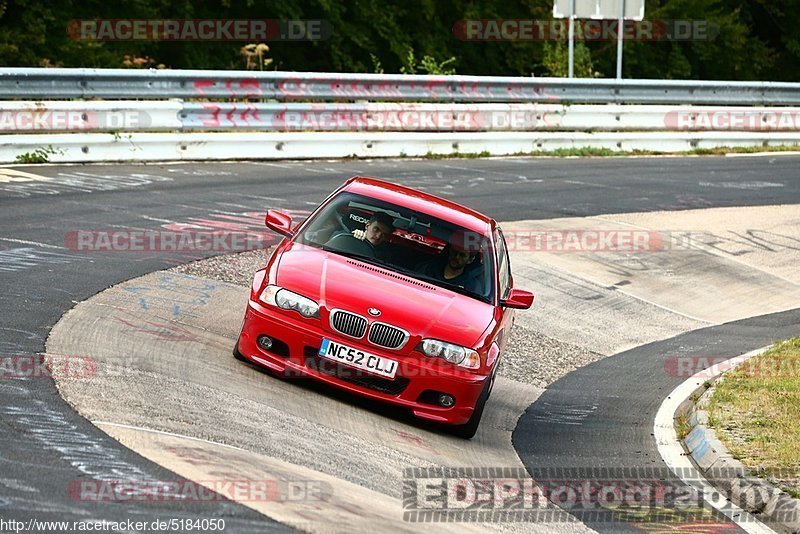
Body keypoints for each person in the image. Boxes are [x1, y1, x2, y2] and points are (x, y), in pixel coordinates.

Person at [416, 229, 485, 294]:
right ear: (450, 251)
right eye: (454, 252)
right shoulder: (428, 269)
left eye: (462, 255)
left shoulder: (472, 287)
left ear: (470, 260)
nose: (457, 257)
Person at [324, 211, 394, 259]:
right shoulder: (346, 236)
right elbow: (327, 248)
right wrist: (351, 236)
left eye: (384, 234)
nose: (378, 236)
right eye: (376, 230)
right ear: (367, 226)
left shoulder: (385, 254)